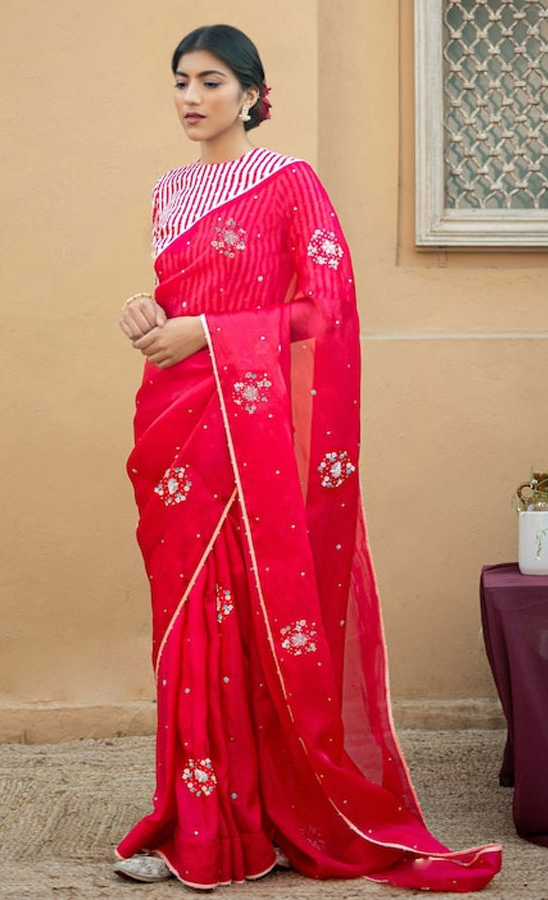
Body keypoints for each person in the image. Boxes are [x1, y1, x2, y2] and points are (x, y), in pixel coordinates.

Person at [113, 23, 501, 892]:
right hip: (178, 428)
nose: (189, 98)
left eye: (209, 82)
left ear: (251, 92)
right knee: (190, 624)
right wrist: (147, 313)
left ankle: (269, 819)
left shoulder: (290, 184)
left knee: (248, 614)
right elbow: (177, 307)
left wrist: (206, 332)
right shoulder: (168, 192)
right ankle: (203, 820)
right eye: (179, 81)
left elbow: (327, 313)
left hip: (253, 440)